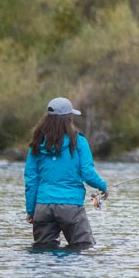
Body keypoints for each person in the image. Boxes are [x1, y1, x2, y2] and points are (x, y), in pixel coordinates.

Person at [23, 96, 108, 250]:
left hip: (43, 207)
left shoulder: (36, 143)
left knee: (43, 251)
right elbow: (87, 173)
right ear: (69, 117)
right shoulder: (79, 141)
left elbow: (31, 180)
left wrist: (31, 210)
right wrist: (103, 186)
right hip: (71, 207)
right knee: (84, 247)